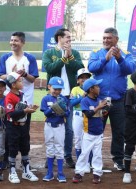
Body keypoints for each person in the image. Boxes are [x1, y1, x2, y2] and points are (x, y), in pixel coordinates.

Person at [88, 27, 136, 170]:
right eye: (104, 38)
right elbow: (91, 67)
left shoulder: (126, 54)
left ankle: (118, 159)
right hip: (100, 101)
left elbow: (130, 70)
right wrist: (105, 59)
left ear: (116, 39)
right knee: (96, 130)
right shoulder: (96, 53)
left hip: (118, 100)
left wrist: (119, 58)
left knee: (119, 131)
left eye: (109, 38)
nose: (105, 40)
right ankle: (93, 160)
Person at [42, 28, 84, 168]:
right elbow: (49, 69)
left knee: (69, 129)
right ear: (59, 38)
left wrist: (70, 55)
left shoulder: (75, 53)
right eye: (68, 37)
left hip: (70, 96)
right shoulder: (49, 52)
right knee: (53, 127)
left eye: (70, 38)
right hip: (54, 96)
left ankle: (67, 156)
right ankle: (51, 156)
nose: (69, 40)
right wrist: (63, 58)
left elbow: (79, 69)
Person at [0, 31, 39, 168]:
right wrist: (12, 75)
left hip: (26, 98)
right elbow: (0, 75)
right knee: (9, 130)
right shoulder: (5, 58)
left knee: (24, 131)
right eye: (11, 40)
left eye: (16, 41)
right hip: (10, 99)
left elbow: (33, 79)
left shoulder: (30, 58)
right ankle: (8, 159)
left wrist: (24, 74)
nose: (12, 43)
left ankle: (24, 161)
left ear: (22, 42)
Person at [4, 72, 39, 184]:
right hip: (13, 127)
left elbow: (23, 109)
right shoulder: (9, 97)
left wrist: (30, 109)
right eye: (19, 81)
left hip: (23, 126)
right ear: (13, 85)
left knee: (25, 147)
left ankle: (26, 170)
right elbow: (11, 114)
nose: (22, 81)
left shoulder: (21, 94)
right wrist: (25, 111)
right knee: (13, 148)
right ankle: (12, 171)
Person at [72, 78, 106, 184]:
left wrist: (104, 111)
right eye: (97, 86)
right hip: (88, 132)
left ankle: (97, 174)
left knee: (97, 154)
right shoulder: (85, 100)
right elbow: (88, 114)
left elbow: (101, 114)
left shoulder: (99, 99)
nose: (99, 88)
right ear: (91, 89)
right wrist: (98, 107)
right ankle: (79, 173)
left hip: (99, 132)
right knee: (84, 153)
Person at [41, 77, 69, 183]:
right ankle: (50, 173)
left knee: (59, 148)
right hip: (48, 126)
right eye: (55, 88)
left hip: (60, 126)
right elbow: (45, 113)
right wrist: (53, 107)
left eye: (59, 89)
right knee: (49, 147)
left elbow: (67, 114)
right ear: (49, 87)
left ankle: (60, 173)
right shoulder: (45, 99)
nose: (57, 91)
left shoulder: (64, 99)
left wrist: (62, 111)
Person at [70, 68, 91, 172]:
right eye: (82, 77)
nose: (84, 79)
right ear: (77, 80)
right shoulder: (75, 89)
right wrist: (82, 97)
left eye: (87, 77)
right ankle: (80, 163)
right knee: (78, 139)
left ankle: (88, 163)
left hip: (88, 116)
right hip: (78, 116)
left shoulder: (92, 89)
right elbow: (72, 103)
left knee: (89, 139)